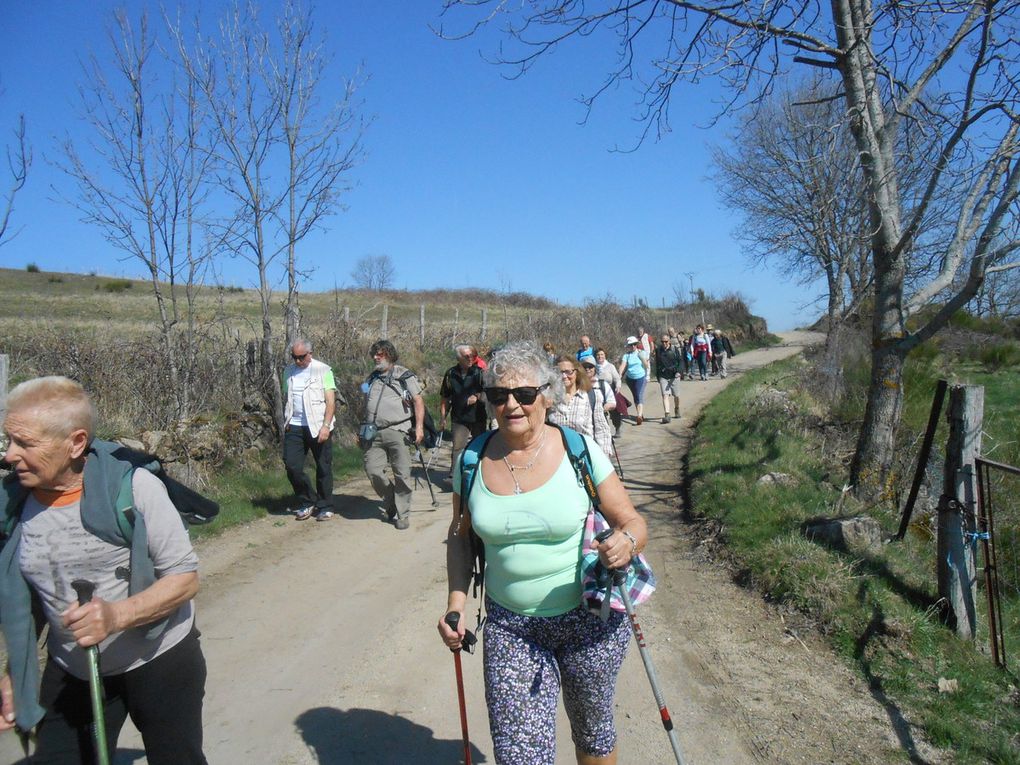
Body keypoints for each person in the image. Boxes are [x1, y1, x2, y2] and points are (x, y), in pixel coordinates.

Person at [438, 342, 648, 765]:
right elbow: (460, 537)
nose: (511, 405)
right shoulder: (471, 460)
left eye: (525, 394)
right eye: (499, 395)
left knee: (593, 734)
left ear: (547, 395)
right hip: (510, 627)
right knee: (519, 754)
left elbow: (634, 523)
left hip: (589, 621)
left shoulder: (579, 450)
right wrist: (455, 605)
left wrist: (625, 543)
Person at [0, 376, 207, 764]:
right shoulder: (12, 504)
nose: (9, 455)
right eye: (9, 440)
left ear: (76, 442)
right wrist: (18, 673)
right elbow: (30, 601)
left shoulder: (134, 488)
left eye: (25, 443)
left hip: (158, 657)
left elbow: (184, 578)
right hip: (74, 667)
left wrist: (115, 615)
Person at [361, 340, 424, 530]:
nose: (375, 357)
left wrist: (419, 427)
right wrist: (361, 427)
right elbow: (363, 402)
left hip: (399, 430)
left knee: (402, 474)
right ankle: (391, 503)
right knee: (373, 471)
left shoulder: (403, 375)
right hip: (373, 431)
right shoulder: (371, 378)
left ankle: (402, 514)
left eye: (379, 354)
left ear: (389, 354)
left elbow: (418, 401)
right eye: (374, 354)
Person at [282, 337, 338, 521]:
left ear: (310, 354)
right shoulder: (288, 372)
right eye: (294, 357)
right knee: (292, 465)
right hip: (295, 426)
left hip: (318, 426)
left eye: (301, 357)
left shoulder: (324, 370)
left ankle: (325, 505)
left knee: (323, 467)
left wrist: (326, 426)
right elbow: (288, 397)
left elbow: (330, 401)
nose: (297, 361)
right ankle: (307, 500)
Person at [548, 357, 615, 459]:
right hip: (557, 460)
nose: (564, 376)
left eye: (568, 372)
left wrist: (603, 461)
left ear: (577, 373)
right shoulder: (549, 399)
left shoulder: (591, 396)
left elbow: (601, 431)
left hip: (585, 458)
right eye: (559, 372)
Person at [439, 344, 486, 480]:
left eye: (473, 355)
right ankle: (454, 477)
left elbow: (488, 392)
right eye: (467, 356)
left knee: (480, 446)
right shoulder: (450, 374)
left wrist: (477, 396)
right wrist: (443, 418)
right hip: (459, 417)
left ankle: (481, 474)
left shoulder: (480, 373)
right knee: (457, 448)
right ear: (458, 358)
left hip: (478, 416)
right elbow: (445, 397)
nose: (471, 358)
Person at [618, 337, 650, 425]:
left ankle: (639, 416)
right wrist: (619, 374)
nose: (633, 346)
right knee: (636, 395)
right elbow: (623, 365)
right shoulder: (626, 355)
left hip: (641, 377)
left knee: (639, 394)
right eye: (631, 345)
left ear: (637, 344)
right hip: (630, 378)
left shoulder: (642, 353)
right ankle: (640, 414)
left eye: (634, 344)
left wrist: (642, 358)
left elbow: (646, 365)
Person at [654, 333, 684, 423]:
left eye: (666, 341)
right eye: (662, 342)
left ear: (669, 341)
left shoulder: (674, 349)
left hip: (674, 376)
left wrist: (679, 371)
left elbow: (681, 361)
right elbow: (657, 363)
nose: (664, 343)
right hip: (663, 376)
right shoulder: (658, 350)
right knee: (665, 395)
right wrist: (658, 376)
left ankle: (677, 408)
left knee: (676, 395)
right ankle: (667, 414)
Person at [594, 348, 624, 437]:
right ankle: (604, 430)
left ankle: (618, 426)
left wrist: (618, 386)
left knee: (614, 412)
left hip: (610, 391)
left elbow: (617, 378)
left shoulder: (610, 366)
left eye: (602, 354)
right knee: (600, 411)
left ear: (605, 355)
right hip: (597, 391)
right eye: (598, 355)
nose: (600, 356)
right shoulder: (593, 367)